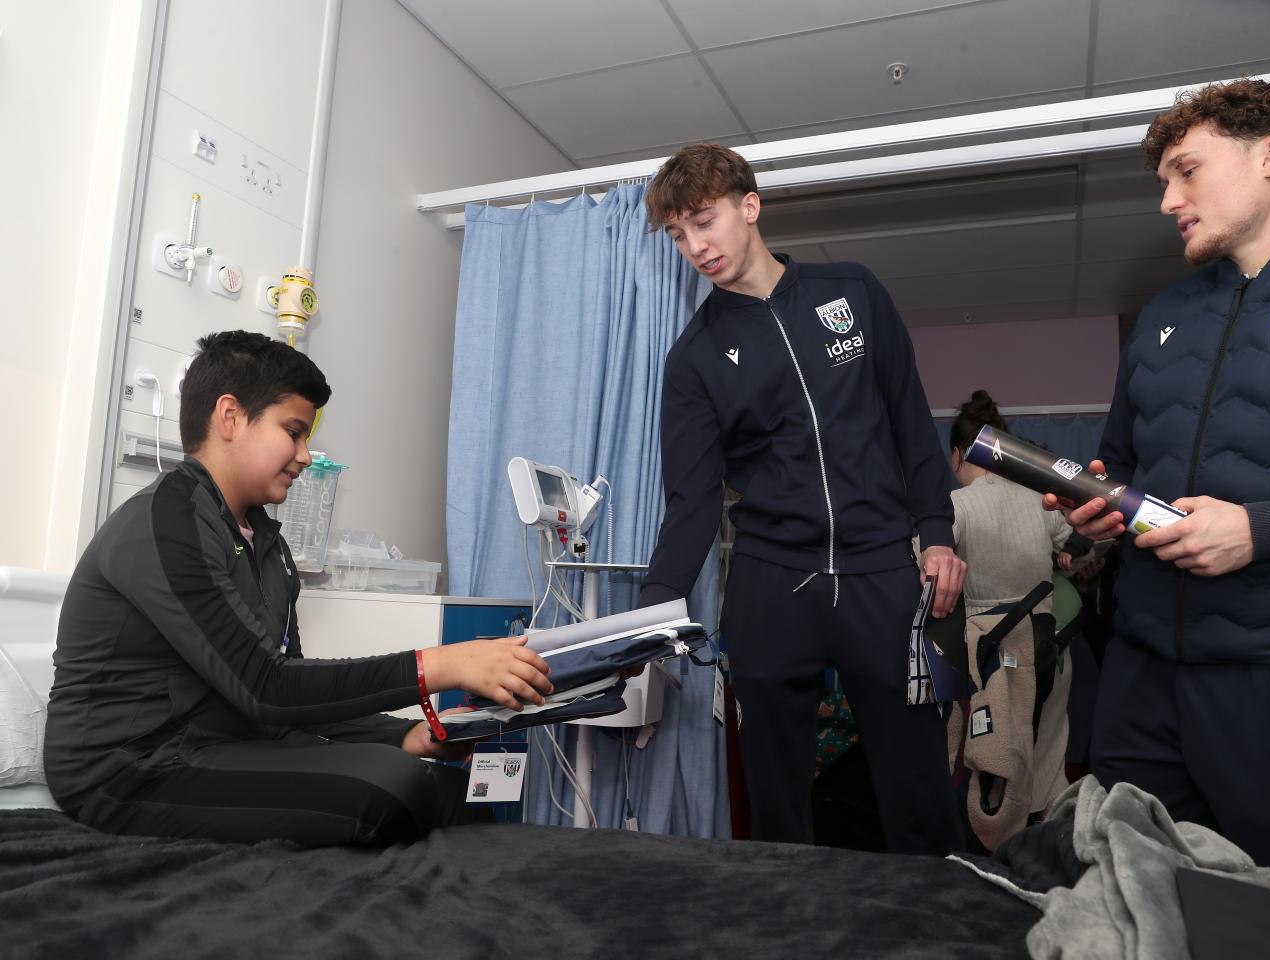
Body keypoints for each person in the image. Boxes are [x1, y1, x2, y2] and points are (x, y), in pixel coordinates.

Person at [45, 331, 553, 847]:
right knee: (393, 787)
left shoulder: (267, 542)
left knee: (451, 787)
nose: (306, 456)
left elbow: (294, 695)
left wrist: (403, 734)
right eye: (294, 431)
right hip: (126, 768)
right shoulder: (165, 522)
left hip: (223, 742)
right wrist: (443, 665)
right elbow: (265, 687)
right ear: (230, 417)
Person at [637, 143, 966, 852]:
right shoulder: (694, 358)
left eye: (703, 221)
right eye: (677, 234)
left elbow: (909, 418)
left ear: (748, 207)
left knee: (915, 782)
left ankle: (940, 916)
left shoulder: (851, 292)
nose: (695, 246)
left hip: (880, 568)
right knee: (778, 794)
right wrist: (651, 611)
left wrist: (935, 531)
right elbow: (690, 499)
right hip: (772, 579)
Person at [1045, 79, 1270, 864]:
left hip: (1261, 676)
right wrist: (1100, 512)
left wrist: (1261, 528)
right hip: (1142, 670)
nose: (1168, 199)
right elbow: (1126, 463)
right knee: (1128, 883)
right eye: (1164, 182)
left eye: (1188, 170)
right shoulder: (1162, 314)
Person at [948, 391, 1077, 824]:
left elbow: (926, 566)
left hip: (989, 653)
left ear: (957, 455)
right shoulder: (1038, 497)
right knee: (1048, 757)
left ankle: (997, 851)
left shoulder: (956, 505)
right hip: (1048, 642)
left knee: (997, 762)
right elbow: (1081, 548)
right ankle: (1052, 853)